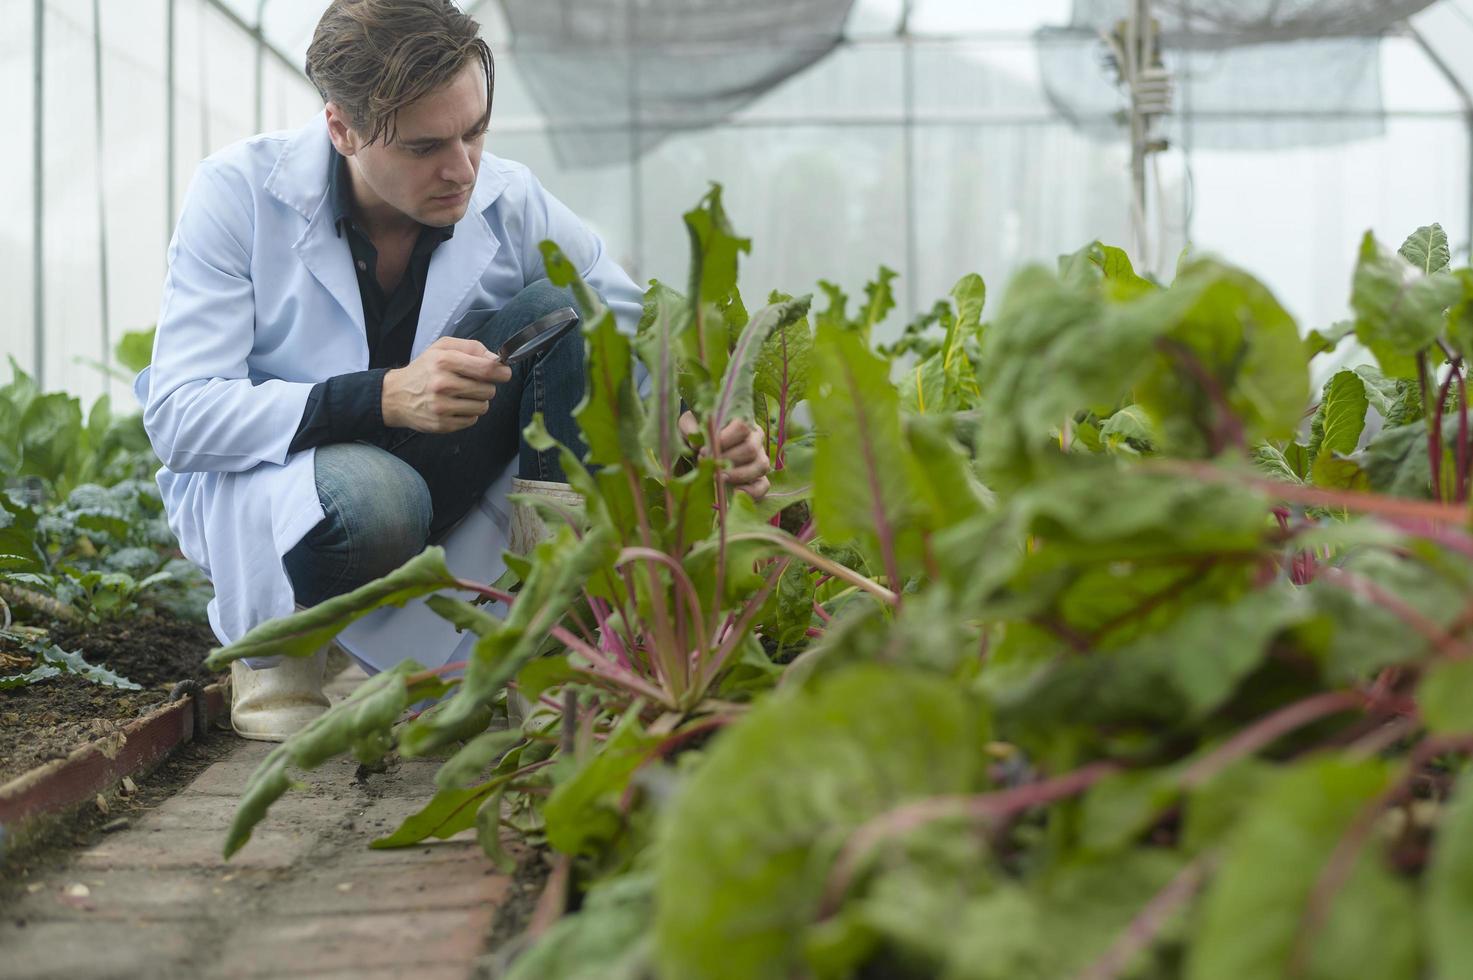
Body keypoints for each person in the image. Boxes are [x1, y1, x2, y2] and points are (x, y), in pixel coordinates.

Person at [135, 0, 771, 742]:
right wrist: (383, 397)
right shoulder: (238, 194)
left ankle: (540, 645)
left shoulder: (507, 197)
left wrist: (700, 424)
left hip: (443, 473)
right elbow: (182, 414)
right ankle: (285, 653)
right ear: (341, 128)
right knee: (378, 499)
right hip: (302, 487)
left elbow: (629, 328)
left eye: (474, 132)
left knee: (565, 307)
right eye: (424, 146)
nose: (461, 169)